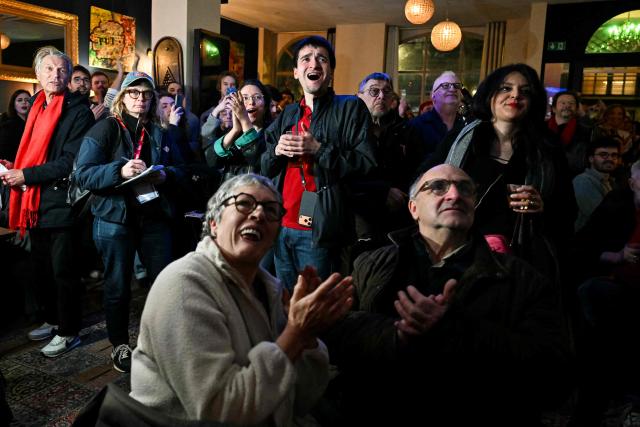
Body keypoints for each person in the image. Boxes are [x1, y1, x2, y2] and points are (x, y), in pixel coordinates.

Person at [323, 164, 571, 426]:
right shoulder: (370, 264)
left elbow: (553, 373)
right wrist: (394, 333)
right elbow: (336, 335)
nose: (454, 195)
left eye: (465, 188)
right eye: (437, 187)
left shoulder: (521, 278)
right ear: (413, 208)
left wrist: (454, 329)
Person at [130, 173, 353, 425]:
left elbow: (302, 398)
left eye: (271, 210)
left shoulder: (270, 289)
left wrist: (309, 338)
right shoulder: (182, 284)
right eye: (244, 203)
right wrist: (296, 333)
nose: (258, 214)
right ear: (214, 222)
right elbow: (221, 413)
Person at [75, 71, 186, 373]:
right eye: (134, 93)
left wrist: (168, 175)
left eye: (146, 94)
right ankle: (120, 343)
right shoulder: (106, 129)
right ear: (123, 97)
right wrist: (119, 172)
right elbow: (83, 174)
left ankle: (161, 340)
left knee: (163, 282)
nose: (141, 99)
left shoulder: (161, 130)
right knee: (118, 285)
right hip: (115, 219)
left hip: (153, 216)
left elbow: (182, 168)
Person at [428, 63, 576, 281]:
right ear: (490, 95)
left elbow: (569, 210)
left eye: (525, 91)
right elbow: (423, 182)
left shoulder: (547, 146)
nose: (515, 95)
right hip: (460, 252)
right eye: (506, 88)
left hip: (520, 260)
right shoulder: (463, 139)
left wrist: (543, 205)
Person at [0, 46, 94, 357]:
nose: (55, 75)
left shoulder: (78, 110)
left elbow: (69, 162)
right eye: (49, 70)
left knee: (64, 272)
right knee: (42, 269)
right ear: (38, 75)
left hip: (61, 201)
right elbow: (34, 152)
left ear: (68, 75)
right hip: (35, 201)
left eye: (61, 70)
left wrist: (24, 175)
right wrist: (16, 168)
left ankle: (69, 331)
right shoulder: (39, 105)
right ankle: (53, 320)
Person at [261, 35, 375, 291]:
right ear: (296, 72)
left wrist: (319, 149)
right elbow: (265, 165)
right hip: (281, 225)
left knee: (319, 306)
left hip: (319, 230)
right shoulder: (288, 113)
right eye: (306, 59)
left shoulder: (350, 108)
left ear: (330, 71)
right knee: (289, 304)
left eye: (322, 59)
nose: (314, 64)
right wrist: (277, 151)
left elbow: (366, 163)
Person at [569, 160, 640, 426]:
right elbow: (582, 249)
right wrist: (618, 254)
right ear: (632, 184)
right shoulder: (617, 207)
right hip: (613, 285)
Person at [203, 79, 271, 182]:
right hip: (230, 193)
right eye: (244, 98)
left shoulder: (272, 133)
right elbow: (212, 161)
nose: (251, 102)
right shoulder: (231, 132)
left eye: (257, 97)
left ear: (266, 106)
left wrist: (244, 120)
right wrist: (235, 130)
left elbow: (259, 162)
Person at [573, 137, 619, 231]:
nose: (610, 159)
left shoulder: (611, 182)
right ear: (591, 159)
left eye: (614, 155)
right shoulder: (583, 181)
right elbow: (602, 217)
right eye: (603, 155)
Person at [547, 90, 592, 176]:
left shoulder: (585, 131)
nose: (567, 106)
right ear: (553, 108)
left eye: (571, 103)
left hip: (573, 178)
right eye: (562, 103)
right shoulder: (540, 129)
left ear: (577, 109)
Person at [0, 89, 30, 162]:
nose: (24, 102)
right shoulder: (8, 126)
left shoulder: (35, 122)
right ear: (13, 104)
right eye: (19, 100)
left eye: (27, 100)